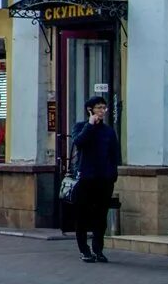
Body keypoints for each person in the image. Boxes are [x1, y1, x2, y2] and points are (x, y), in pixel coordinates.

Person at [72, 96, 120, 264]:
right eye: (99, 108)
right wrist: (90, 125)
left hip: (104, 180)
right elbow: (79, 142)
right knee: (82, 216)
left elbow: (115, 155)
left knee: (100, 217)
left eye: (104, 108)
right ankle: (84, 250)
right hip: (86, 178)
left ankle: (98, 250)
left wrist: (112, 174)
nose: (102, 111)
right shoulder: (81, 127)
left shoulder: (108, 131)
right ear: (90, 110)